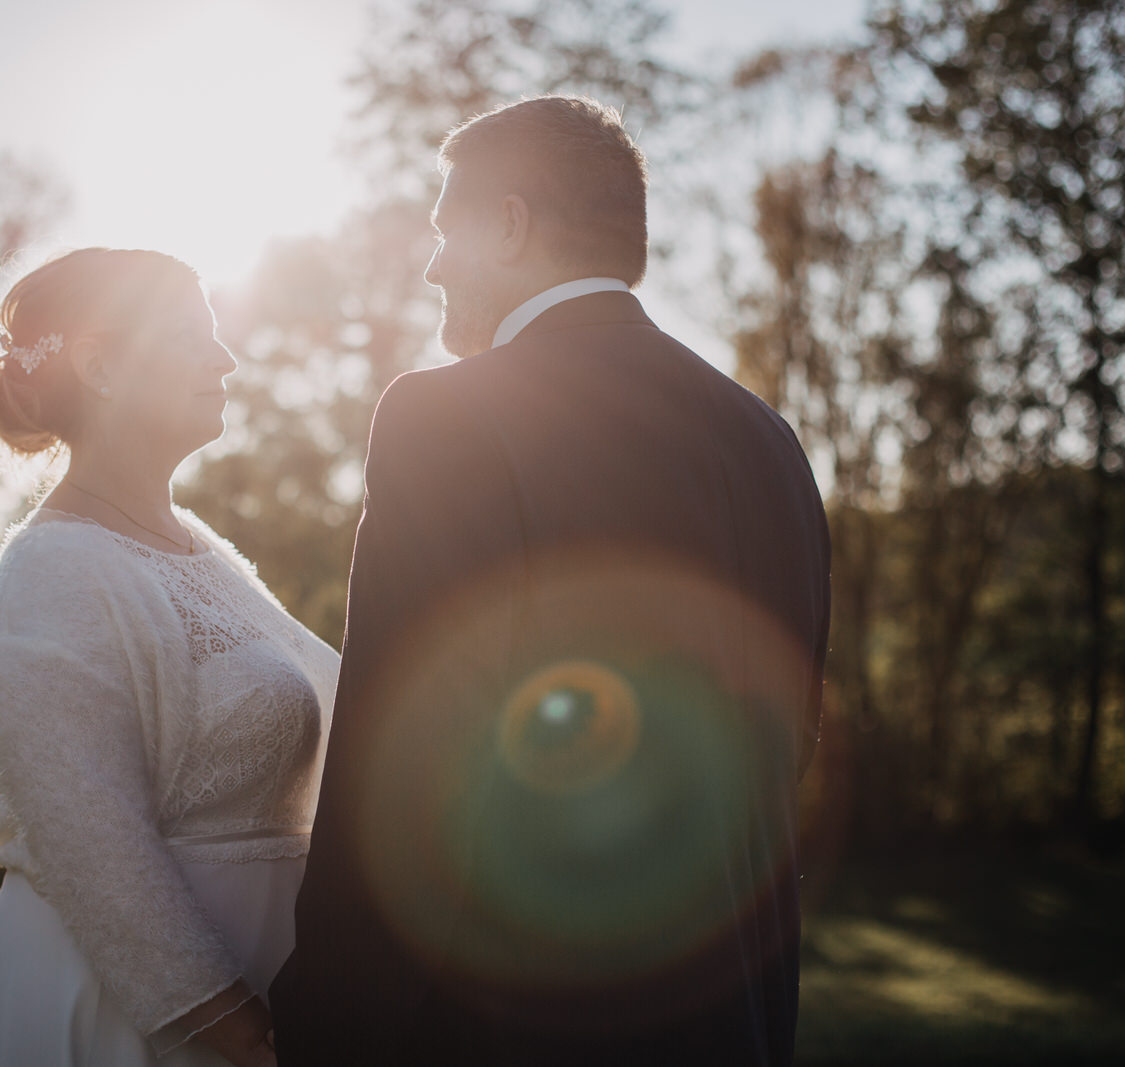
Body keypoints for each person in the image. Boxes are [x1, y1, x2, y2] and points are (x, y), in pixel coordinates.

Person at [270, 96, 831, 1065]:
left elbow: (403, 761)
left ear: (512, 223)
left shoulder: (448, 418)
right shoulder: (767, 440)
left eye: (448, 229)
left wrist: (326, 1014)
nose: (435, 263)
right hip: (729, 1016)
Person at [0, 248, 339, 1067]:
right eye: (187, 334)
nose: (224, 357)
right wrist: (235, 1028)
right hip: (139, 1018)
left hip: (257, 996)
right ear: (99, 363)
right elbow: (92, 846)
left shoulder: (200, 548)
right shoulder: (50, 574)